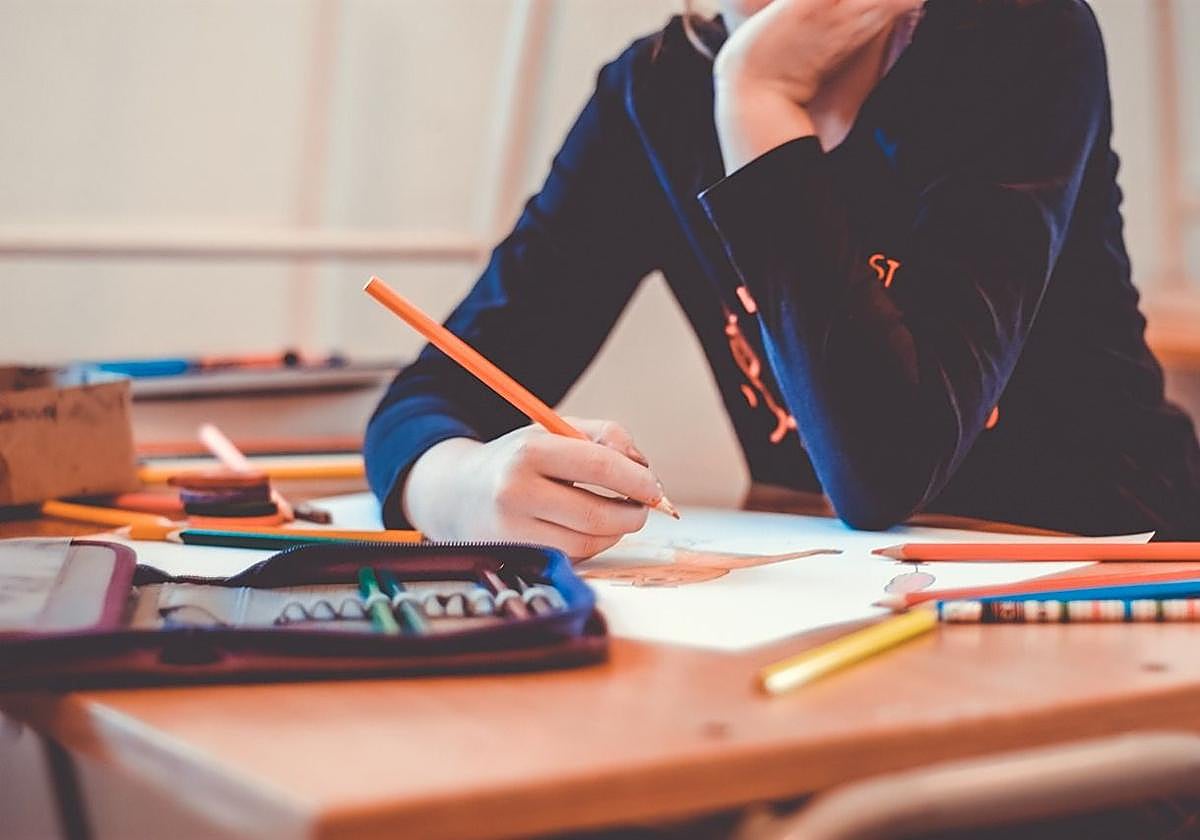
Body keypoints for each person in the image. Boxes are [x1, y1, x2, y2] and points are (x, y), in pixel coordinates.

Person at [365, 0, 1200, 557]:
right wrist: (457, 489)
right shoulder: (655, 93)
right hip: (848, 594)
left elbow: (886, 472)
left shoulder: (1018, 35)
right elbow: (433, 393)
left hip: (1107, 581)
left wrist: (758, 103)